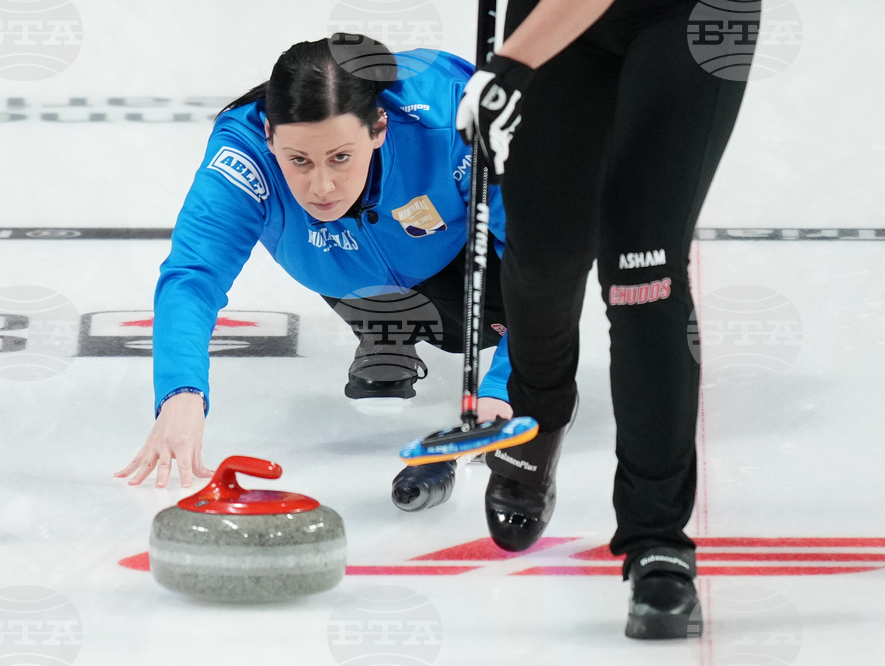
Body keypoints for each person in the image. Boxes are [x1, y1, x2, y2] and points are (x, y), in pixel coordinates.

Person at [457, 0, 755, 639]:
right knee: (540, 258)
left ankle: (658, 540)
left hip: (691, 18)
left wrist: (510, 65)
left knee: (641, 271)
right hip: (556, 20)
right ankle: (535, 421)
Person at [116, 35, 515, 491]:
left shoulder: (450, 121)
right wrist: (181, 393)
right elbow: (194, 275)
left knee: (503, 318)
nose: (321, 186)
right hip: (341, 267)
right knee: (349, 261)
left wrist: (502, 386)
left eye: (340, 157)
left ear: (379, 128)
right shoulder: (244, 154)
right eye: (299, 160)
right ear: (270, 136)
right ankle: (386, 329)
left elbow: (539, 263)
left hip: (459, 250)